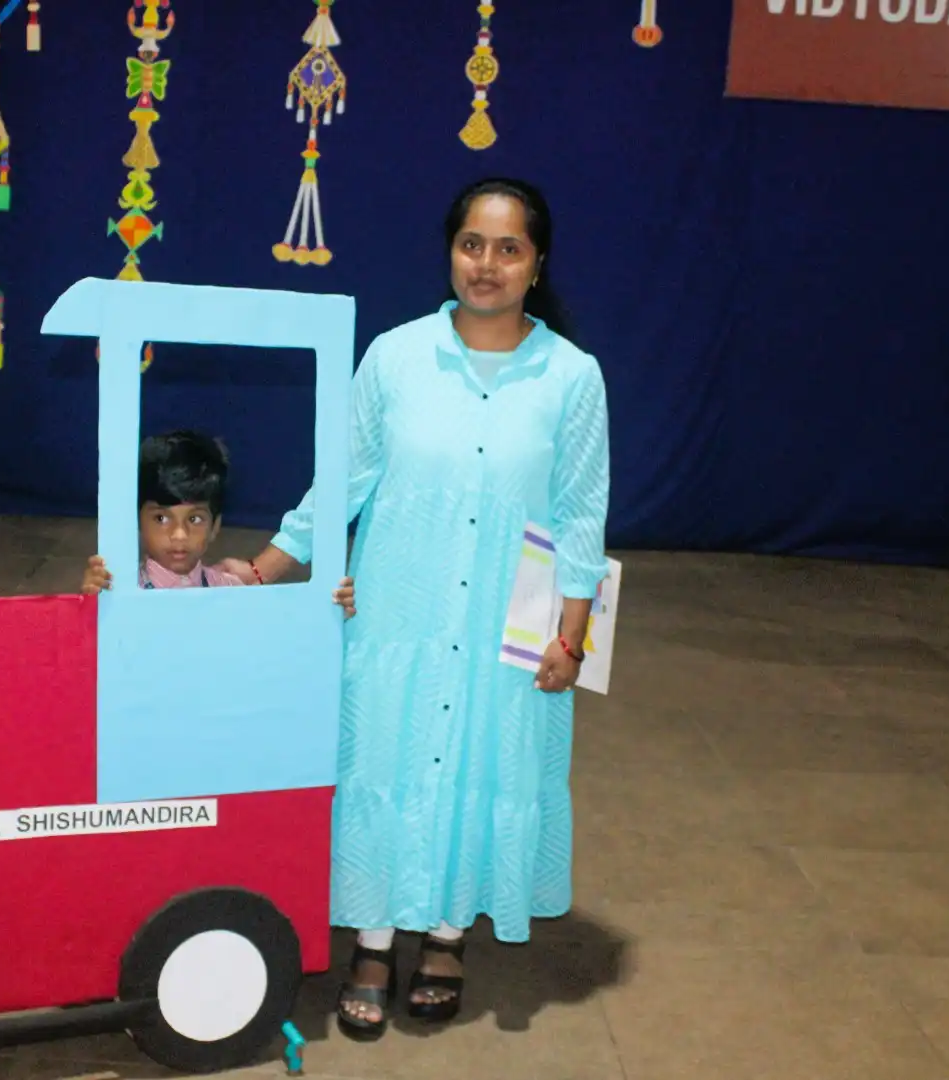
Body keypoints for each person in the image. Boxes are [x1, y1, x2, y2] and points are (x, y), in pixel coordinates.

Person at [219, 178, 611, 1037]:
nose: (488, 264)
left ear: (537, 264)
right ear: (450, 251)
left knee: (480, 768)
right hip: (398, 615)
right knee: (385, 765)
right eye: (474, 243)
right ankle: (371, 938)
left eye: (509, 249)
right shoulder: (395, 357)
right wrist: (264, 568)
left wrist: (571, 637)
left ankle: (443, 937)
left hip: (509, 625)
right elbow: (345, 482)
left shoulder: (572, 377)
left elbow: (582, 513)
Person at [82, 429, 357, 611]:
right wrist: (92, 606)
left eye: (196, 519)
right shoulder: (120, 592)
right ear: (138, 522)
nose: (179, 534)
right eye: (162, 518)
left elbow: (277, 639)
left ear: (215, 527)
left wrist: (329, 612)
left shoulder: (231, 591)